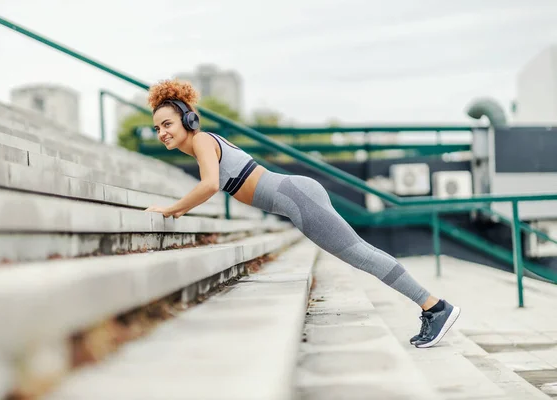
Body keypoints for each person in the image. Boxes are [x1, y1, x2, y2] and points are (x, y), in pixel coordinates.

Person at [144, 79, 460, 348]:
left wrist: (173, 209)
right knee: (360, 252)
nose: (161, 133)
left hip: (295, 198)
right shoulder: (202, 143)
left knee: (361, 254)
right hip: (295, 195)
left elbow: (210, 184)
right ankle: (433, 306)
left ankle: (435, 307)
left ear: (189, 120)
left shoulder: (200, 141)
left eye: (167, 124)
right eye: (157, 127)